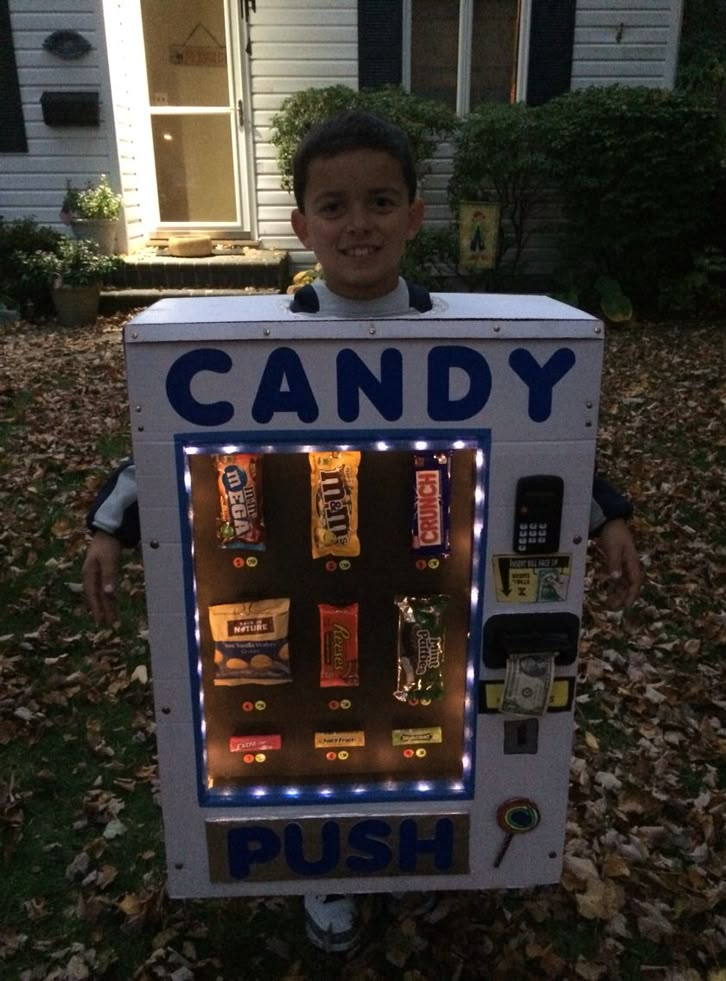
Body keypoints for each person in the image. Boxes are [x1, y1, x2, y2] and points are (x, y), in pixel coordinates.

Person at [83, 110, 642, 952]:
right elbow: (157, 441)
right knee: (313, 722)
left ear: (416, 215)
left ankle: (427, 852)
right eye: (334, 206)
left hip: (433, 575)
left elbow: (543, 431)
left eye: (380, 201)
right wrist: (106, 524)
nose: (359, 224)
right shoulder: (258, 336)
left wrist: (609, 513)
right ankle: (333, 870)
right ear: (302, 224)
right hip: (295, 572)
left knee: (419, 707)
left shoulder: (469, 333)